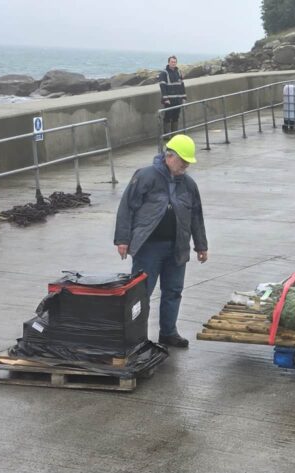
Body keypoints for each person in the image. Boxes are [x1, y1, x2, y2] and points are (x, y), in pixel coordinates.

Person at [114, 134, 208, 348]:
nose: (185, 165)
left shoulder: (189, 184)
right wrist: (123, 239)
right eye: (183, 161)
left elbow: (196, 216)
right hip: (149, 248)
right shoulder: (145, 176)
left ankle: (168, 332)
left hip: (177, 247)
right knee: (141, 294)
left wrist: (201, 245)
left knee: (173, 291)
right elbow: (126, 208)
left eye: (188, 162)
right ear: (169, 156)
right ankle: (136, 337)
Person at [158, 55, 187, 137]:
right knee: (167, 117)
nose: (173, 63)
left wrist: (184, 97)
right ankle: (167, 136)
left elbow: (182, 85)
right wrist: (165, 98)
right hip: (169, 100)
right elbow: (162, 86)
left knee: (176, 117)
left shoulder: (178, 72)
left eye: (174, 62)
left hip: (178, 100)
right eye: (172, 62)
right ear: (168, 62)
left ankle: (174, 135)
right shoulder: (164, 73)